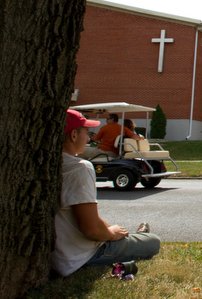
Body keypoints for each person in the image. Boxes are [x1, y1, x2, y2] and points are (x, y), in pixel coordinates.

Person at [52, 110, 160, 277]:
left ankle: (132, 237)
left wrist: (110, 228)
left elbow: (81, 212)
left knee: (118, 233)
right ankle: (138, 237)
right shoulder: (80, 168)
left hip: (57, 256)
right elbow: (91, 230)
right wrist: (111, 233)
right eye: (86, 133)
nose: (88, 138)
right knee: (153, 242)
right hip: (80, 257)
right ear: (73, 135)